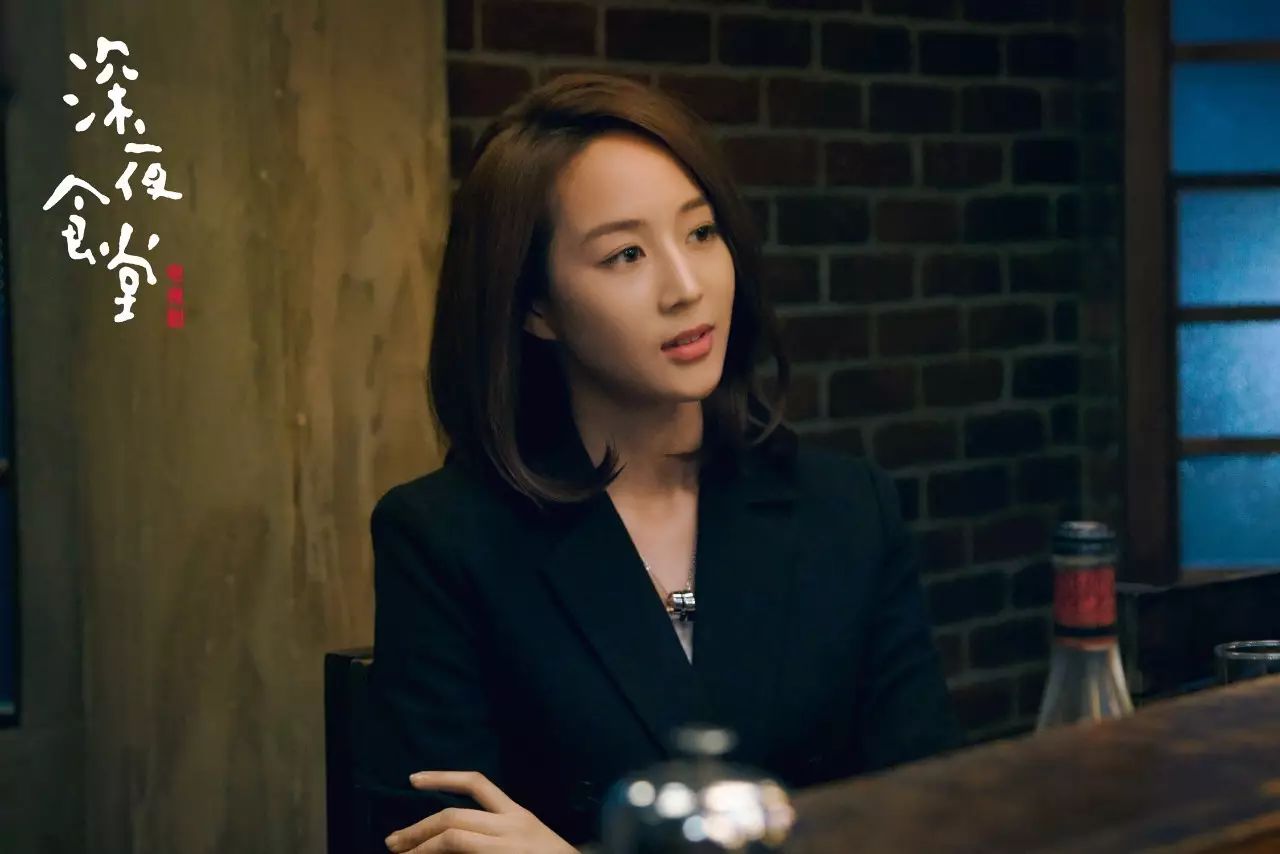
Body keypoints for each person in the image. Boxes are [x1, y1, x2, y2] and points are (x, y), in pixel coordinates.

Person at [361, 73, 964, 853]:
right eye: (626, 254)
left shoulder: (847, 511)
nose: (686, 288)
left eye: (701, 233)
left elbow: (931, 820)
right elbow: (431, 840)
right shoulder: (444, 539)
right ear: (535, 306)